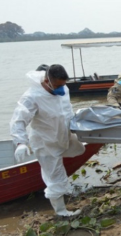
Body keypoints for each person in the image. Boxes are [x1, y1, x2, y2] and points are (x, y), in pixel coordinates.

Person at [10, 64, 85, 216]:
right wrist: (21, 143)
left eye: (63, 85)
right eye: (57, 85)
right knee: (54, 176)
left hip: (63, 136)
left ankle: (62, 195)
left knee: (63, 168)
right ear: (46, 80)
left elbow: (67, 110)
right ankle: (61, 211)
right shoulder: (32, 97)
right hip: (45, 142)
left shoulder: (64, 90)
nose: (61, 89)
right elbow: (18, 120)